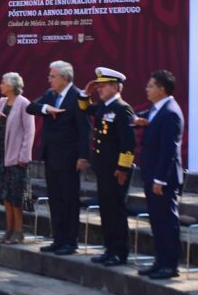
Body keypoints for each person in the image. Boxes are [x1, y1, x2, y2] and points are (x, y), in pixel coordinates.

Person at [26, 60, 91, 255]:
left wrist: (83, 157)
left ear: (65, 78)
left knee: (69, 200)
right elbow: (31, 107)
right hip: (51, 156)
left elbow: (85, 130)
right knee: (55, 199)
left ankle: (70, 242)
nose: (49, 79)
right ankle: (58, 239)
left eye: (53, 76)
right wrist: (47, 109)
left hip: (70, 158)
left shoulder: (78, 96)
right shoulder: (50, 95)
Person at [78, 67, 135, 266]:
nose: (99, 89)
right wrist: (86, 91)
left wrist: (123, 169)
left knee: (116, 211)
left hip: (115, 171)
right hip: (102, 169)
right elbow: (84, 108)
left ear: (114, 87)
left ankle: (120, 252)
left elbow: (128, 144)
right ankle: (109, 249)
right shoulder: (103, 107)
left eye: (103, 86)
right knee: (106, 211)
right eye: (99, 86)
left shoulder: (122, 108)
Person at [132, 70, 184, 280]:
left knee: (166, 221)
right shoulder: (156, 108)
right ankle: (159, 261)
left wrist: (160, 179)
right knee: (156, 221)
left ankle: (170, 265)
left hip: (163, 179)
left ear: (162, 89)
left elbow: (168, 150)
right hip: (151, 175)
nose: (147, 89)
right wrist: (136, 120)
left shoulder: (170, 112)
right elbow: (139, 119)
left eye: (151, 86)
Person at [0, 72, 35, 244]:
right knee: (5, 196)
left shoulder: (24, 103)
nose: (0, 85)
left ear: (12, 85)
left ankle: (18, 231)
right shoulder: (2, 103)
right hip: (1, 157)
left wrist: (24, 156)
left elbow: (29, 131)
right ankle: (8, 230)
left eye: (3, 82)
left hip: (16, 158)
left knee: (15, 196)